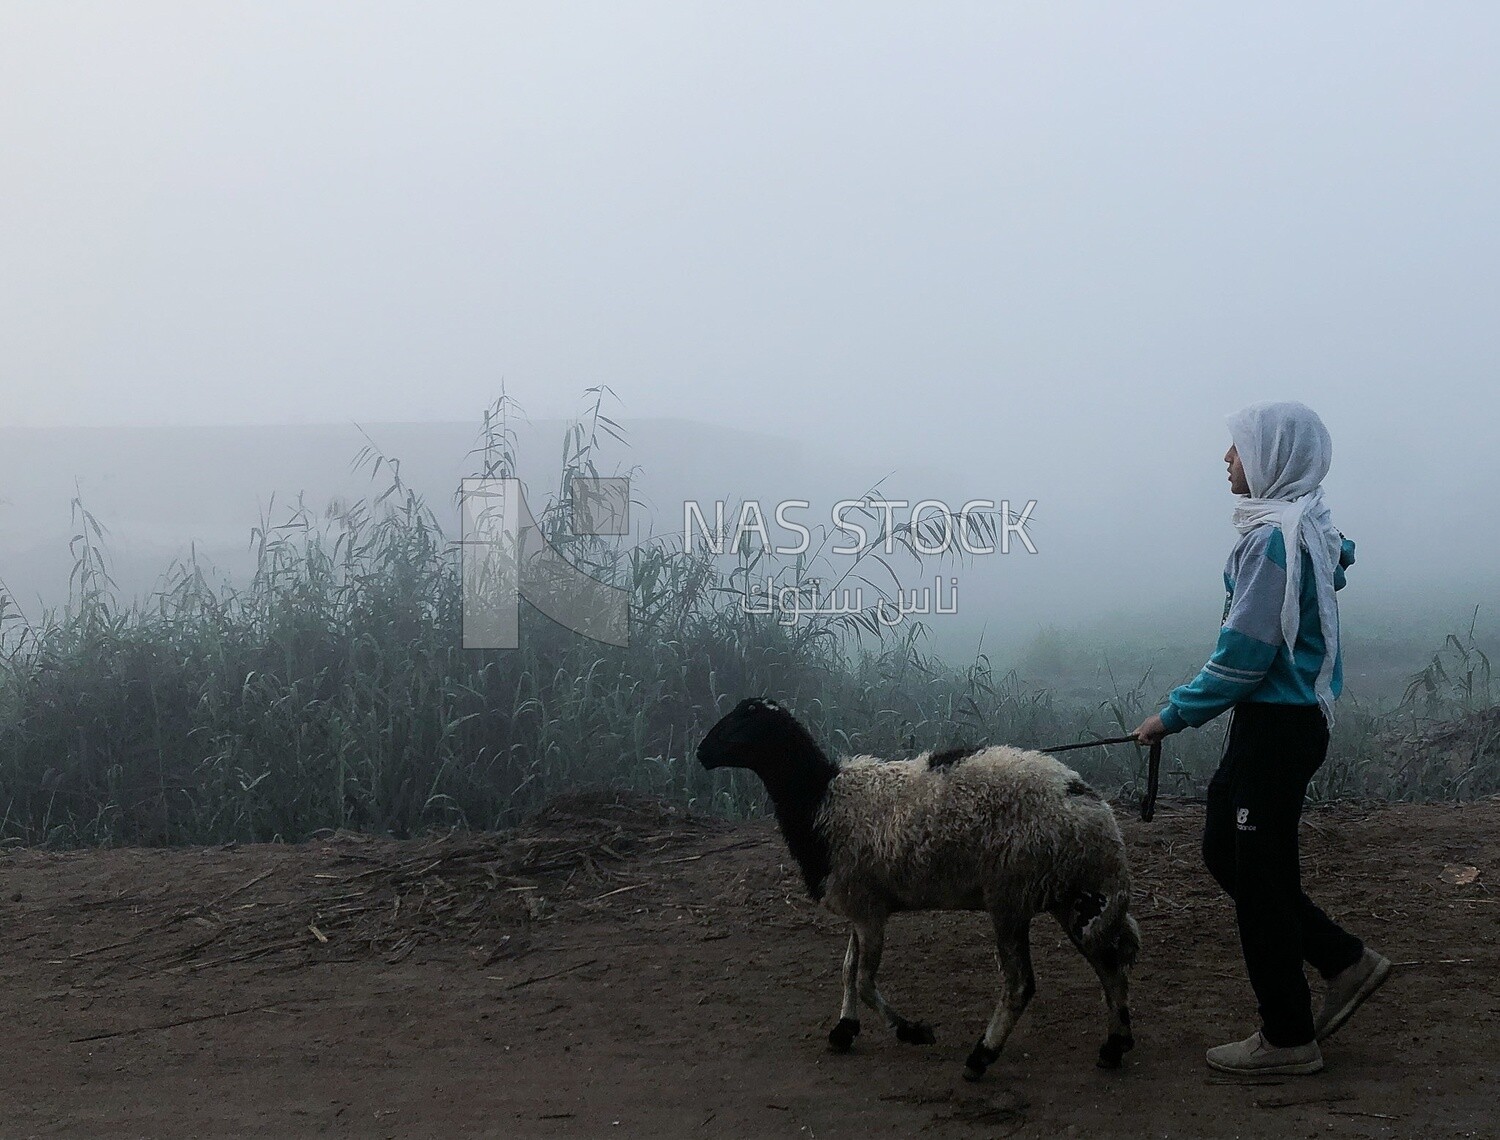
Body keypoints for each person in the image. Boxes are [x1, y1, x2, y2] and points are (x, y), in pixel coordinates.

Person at [1132, 400, 1390, 1076]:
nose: (1225, 460)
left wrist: (1172, 714)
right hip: (1281, 725)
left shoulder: (1275, 537)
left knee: (1259, 876)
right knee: (1231, 850)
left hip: (1276, 725)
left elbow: (1244, 654)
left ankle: (1287, 1036)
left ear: (1274, 459)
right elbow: (1337, 555)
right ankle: (1342, 960)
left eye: (1238, 449)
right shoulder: (1301, 523)